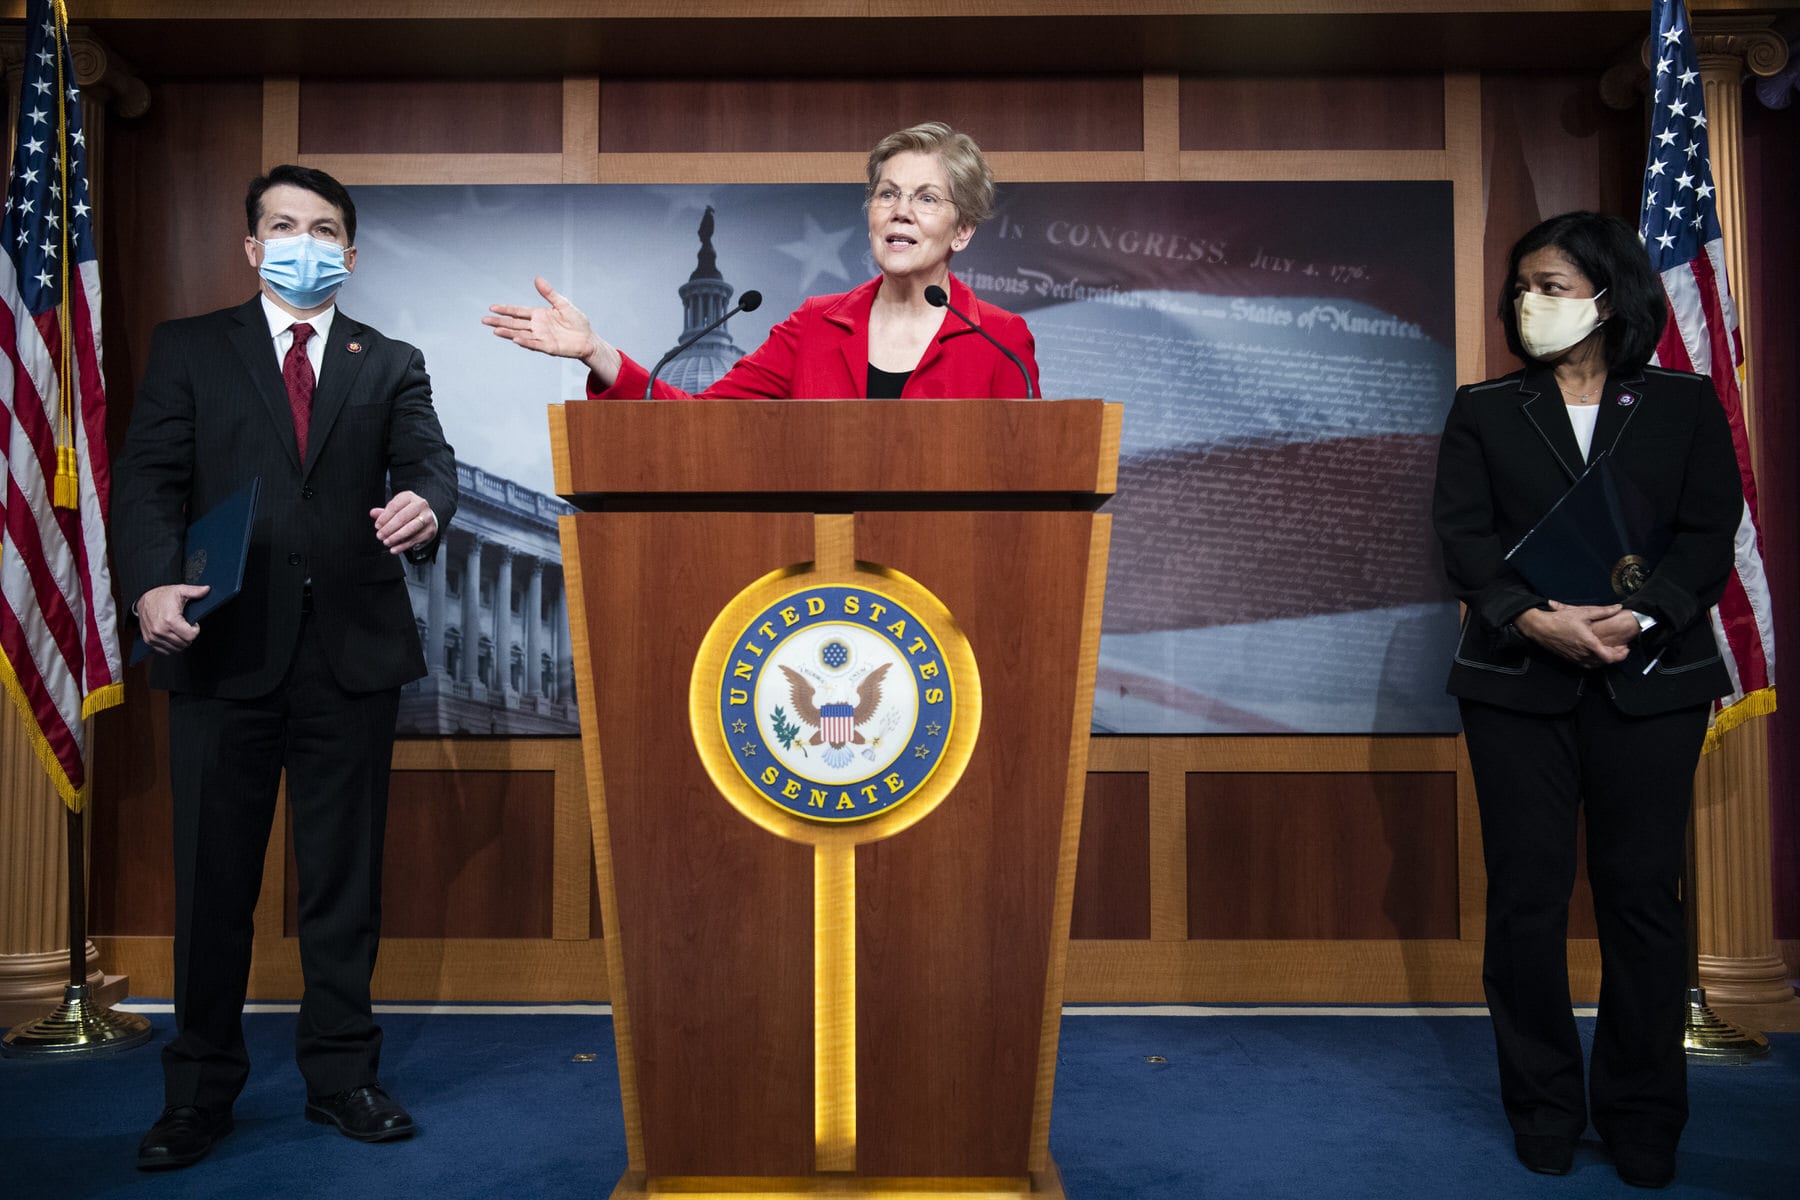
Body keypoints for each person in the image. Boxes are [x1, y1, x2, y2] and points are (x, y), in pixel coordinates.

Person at [114, 165, 458, 1170]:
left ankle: (343, 1077)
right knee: (213, 885)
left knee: (340, 888)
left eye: (324, 229)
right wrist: (149, 586)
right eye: (281, 225)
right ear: (253, 247)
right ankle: (197, 1094)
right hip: (219, 650)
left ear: (350, 254)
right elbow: (148, 482)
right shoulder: (190, 350)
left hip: (349, 659)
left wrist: (428, 504)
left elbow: (429, 463)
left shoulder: (389, 360)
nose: (303, 242)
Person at [1431, 211, 1742, 1189]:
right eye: (1524, 285)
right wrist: (1535, 620)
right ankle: (1544, 1111)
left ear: (1609, 295)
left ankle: (1645, 1119)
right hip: (1517, 684)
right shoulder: (1485, 408)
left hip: (1649, 682)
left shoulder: (1684, 404)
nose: (1533, 302)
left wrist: (1639, 621)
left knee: (1641, 900)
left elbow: (1706, 533)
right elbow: (1465, 542)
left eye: (1554, 286)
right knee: (1526, 902)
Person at [483, 121, 1039, 400]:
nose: (900, 213)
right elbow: (697, 425)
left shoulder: (1000, 341)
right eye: (887, 194)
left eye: (926, 198)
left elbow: (1029, 485)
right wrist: (594, 350)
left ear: (962, 230)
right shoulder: (814, 325)